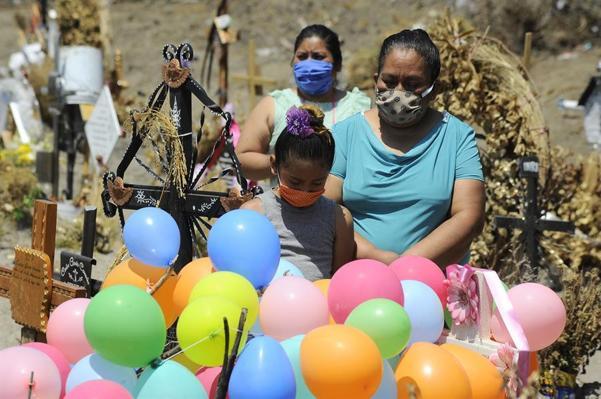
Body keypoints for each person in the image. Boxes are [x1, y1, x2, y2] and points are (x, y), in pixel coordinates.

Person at [325, 29, 485, 267]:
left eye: (412, 84)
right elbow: (325, 207)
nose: (398, 92)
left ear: (434, 89)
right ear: (375, 80)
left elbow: (469, 216)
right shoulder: (345, 134)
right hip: (357, 278)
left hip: (431, 285)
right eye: (389, 81)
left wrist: (408, 265)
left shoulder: (456, 137)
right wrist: (376, 258)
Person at [236, 24, 371, 182]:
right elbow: (242, 160)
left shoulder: (356, 107)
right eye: (302, 56)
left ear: (337, 64)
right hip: (283, 205)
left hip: (340, 205)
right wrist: (284, 162)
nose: (309, 64)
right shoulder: (274, 105)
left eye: (318, 56)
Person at [242, 104, 355, 281]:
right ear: (274, 165)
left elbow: (341, 280)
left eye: (317, 183)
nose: (305, 191)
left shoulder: (339, 218)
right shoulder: (255, 212)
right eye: (295, 182)